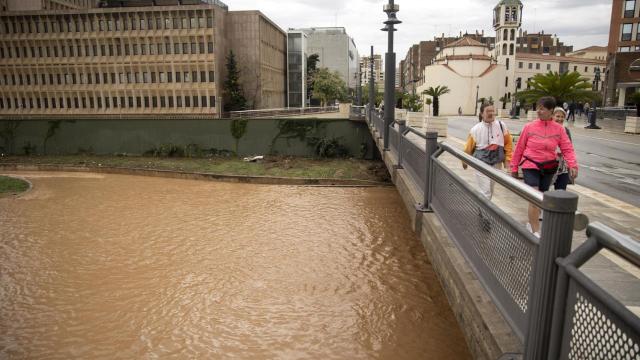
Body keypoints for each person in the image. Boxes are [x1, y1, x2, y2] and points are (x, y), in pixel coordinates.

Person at [510, 97, 578, 237]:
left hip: (548, 167)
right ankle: (535, 230)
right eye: (538, 108)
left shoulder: (559, 129)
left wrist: (573, 165)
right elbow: (519, 148)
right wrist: (514, 167)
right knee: (534, 195)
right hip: (530, 164)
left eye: (542, 108)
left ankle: (531, 222)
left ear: (550, 111)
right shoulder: (529, 127)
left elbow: (567, 148)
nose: (538, 111)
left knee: (542, 197)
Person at [463, 102, 514, 200]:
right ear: (482, 113)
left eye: (492, 111)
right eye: (488, 111)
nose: (491, 113)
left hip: (496, 162)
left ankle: (482, 209)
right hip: (481, 163)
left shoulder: (501, 125)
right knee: (485, 191)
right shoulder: (475, 129)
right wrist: (464, 162)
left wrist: (507, 160)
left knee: (490, 189)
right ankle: (483, 213)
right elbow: (468, 148)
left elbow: (508, 143)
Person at [551, 107, 574, 190]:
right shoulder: (548, 128)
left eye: (562, 117)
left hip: (562, 165)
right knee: (542, 190)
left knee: (561, 190)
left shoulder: (566, 130)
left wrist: (572, 165)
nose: (560, 119)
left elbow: (569, 148)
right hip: (548, 163)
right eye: (557, 116)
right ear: (552, 116)